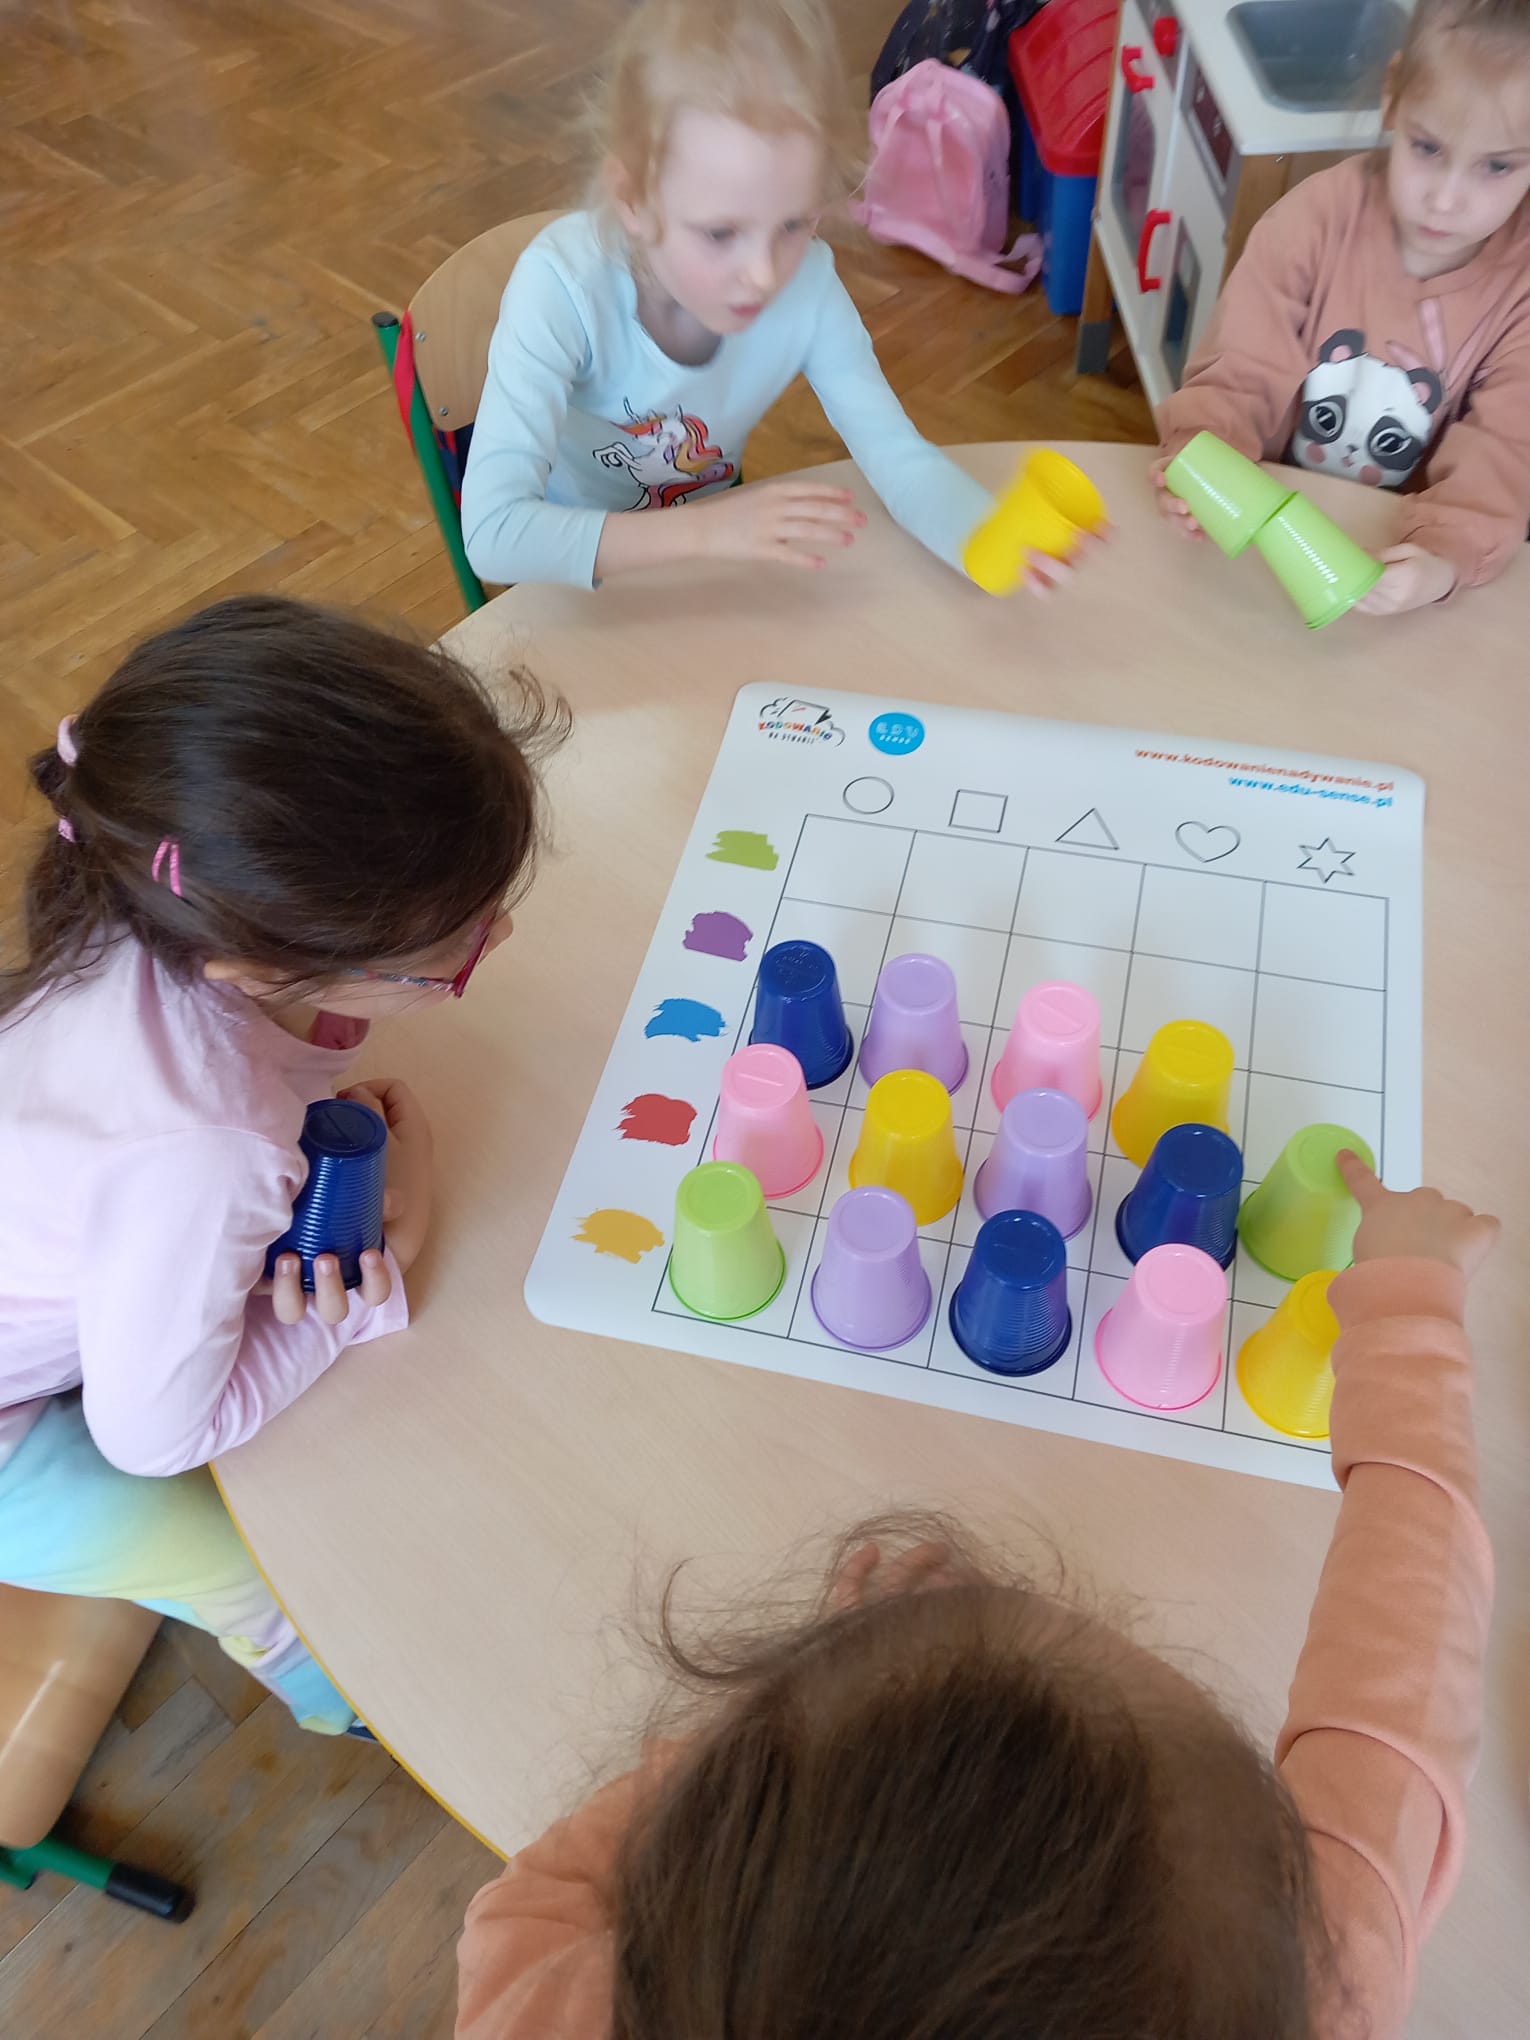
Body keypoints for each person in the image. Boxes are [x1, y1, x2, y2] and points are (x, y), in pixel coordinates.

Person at [455, 1154, 1497, 2039]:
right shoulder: (1318, 1972)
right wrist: (1410, 1299)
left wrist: (805, 1730)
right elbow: (1403, 1667)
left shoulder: (547, 2008)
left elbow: (528, 1904)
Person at [0, 596, 566, 1734]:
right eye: (449, 957)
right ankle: (344, 1705)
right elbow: (154, 1437)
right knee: (261, 1578)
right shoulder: (205, 1151)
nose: (493, 942)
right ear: (254, 964)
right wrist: (360, 1290)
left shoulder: (146, 885)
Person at [460, 0, 1080, 595]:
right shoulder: (560, 289)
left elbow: (899, 459)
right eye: (720, 234)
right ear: (633, 199)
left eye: (794, 223)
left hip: (710, 572)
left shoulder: (808, 286)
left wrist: (992, 540)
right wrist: (710, 530)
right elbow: (494, 534)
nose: (762, 276)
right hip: (572, 581)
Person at [1155, 0, 1530, 616]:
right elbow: (1240, 370)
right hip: (1262, 543)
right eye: (1428, 147)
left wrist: (1441, 561)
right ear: (1393, 95)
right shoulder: (1314, 219)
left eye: (1495, 166)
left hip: (1395, 555)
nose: (1446, 199)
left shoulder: (1519, 292)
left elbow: (1502, 457)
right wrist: (1201, 453)